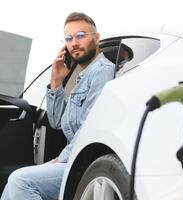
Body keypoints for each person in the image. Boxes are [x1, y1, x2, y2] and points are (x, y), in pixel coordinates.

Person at [1, 12, 115, 200]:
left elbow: (90, 127)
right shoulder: (82, 77)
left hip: (85, 161)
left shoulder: (101, 72)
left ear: (96, 38)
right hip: (73, 158)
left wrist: (61, 158)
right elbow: (56, 122)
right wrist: (56, 80)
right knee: (11, 186)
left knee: (20, 181)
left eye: (80, 35)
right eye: (68, 38)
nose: (74, 43)